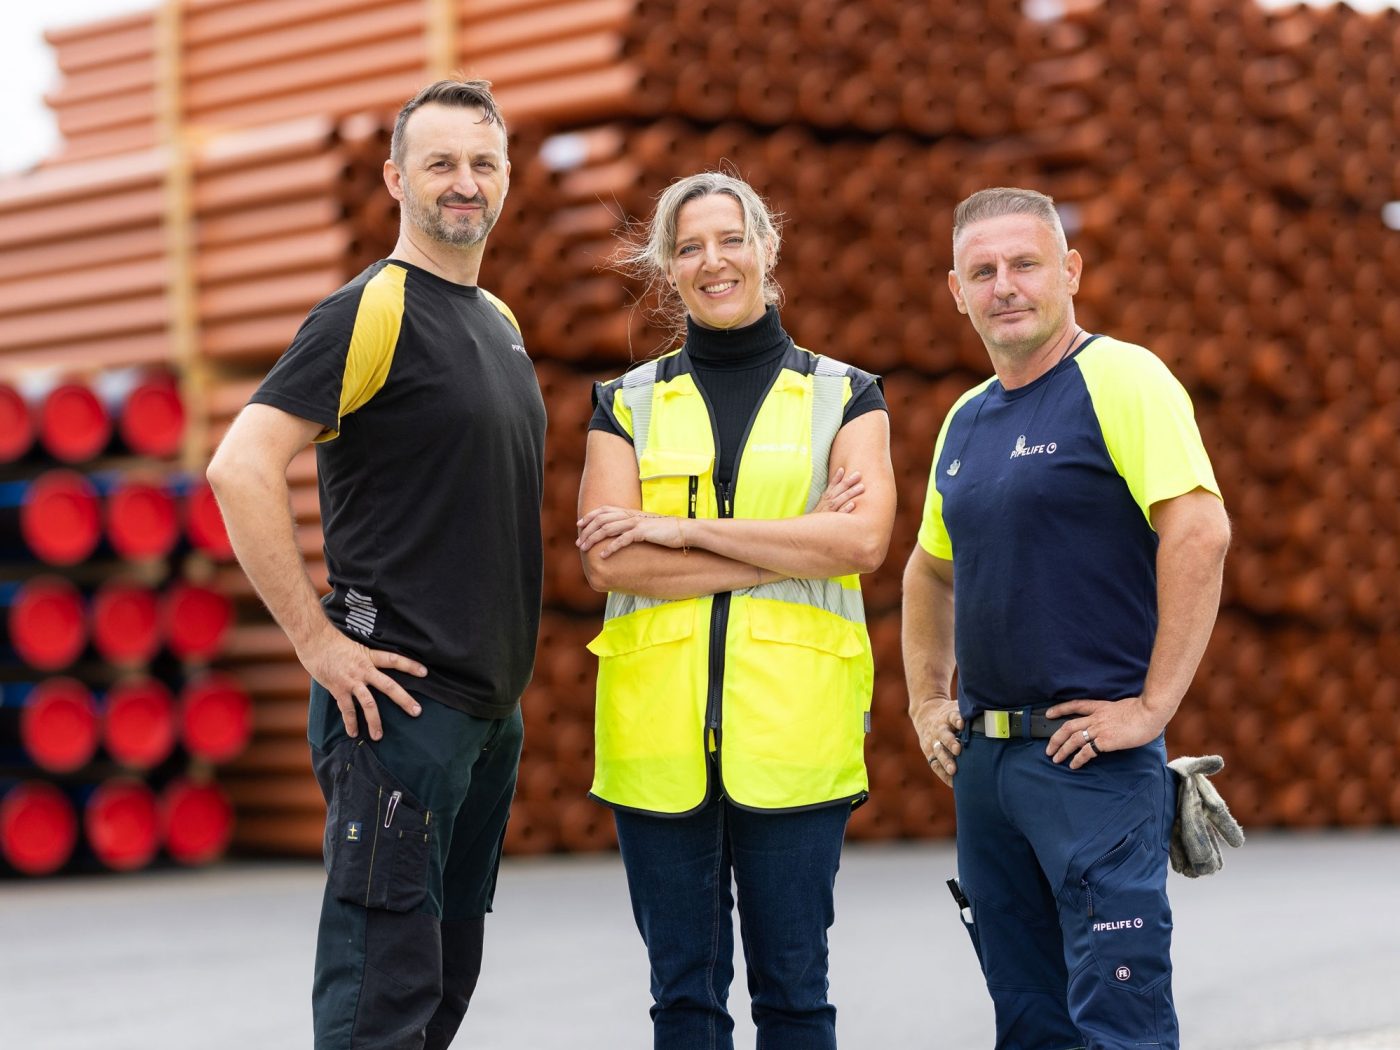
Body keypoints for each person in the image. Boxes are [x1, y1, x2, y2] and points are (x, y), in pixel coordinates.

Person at [206, 80, 544, 1050]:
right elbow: (240, 467)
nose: (465, 183)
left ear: (507, 178)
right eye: (440, 163)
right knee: (378, 1007)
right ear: (396, 178)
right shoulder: (369, 312)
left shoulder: (500, 324)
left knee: (440, 992)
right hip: (398, 711)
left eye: (483, 163)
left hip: (484, 717)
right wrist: (316, 641)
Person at [902, 186, 1231, 1049]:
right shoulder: (965, 419)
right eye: (983, 271)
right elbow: (928, 572)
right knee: (1029, 1020)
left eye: (1024, 264)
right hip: (988, 768)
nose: (1004, 285)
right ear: (955, 290)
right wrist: (927, 701)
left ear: (1070, 271)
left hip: (1089, 760)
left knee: (1117, 1024)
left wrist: (1152, 709)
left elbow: (1199, 530)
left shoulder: (1122, 377)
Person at [576, 171, 896, 1049]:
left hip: (795, 734)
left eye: (730, 239)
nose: (713, 262)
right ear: (666, 268)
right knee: (683, 1001)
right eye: (688, 247)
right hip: (656, 740)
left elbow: (861, 543)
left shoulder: (847, 395)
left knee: (795, 996)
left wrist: (676, 531)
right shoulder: (624, 403)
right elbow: (610, 559)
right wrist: (789, 542)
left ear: (767, 249)